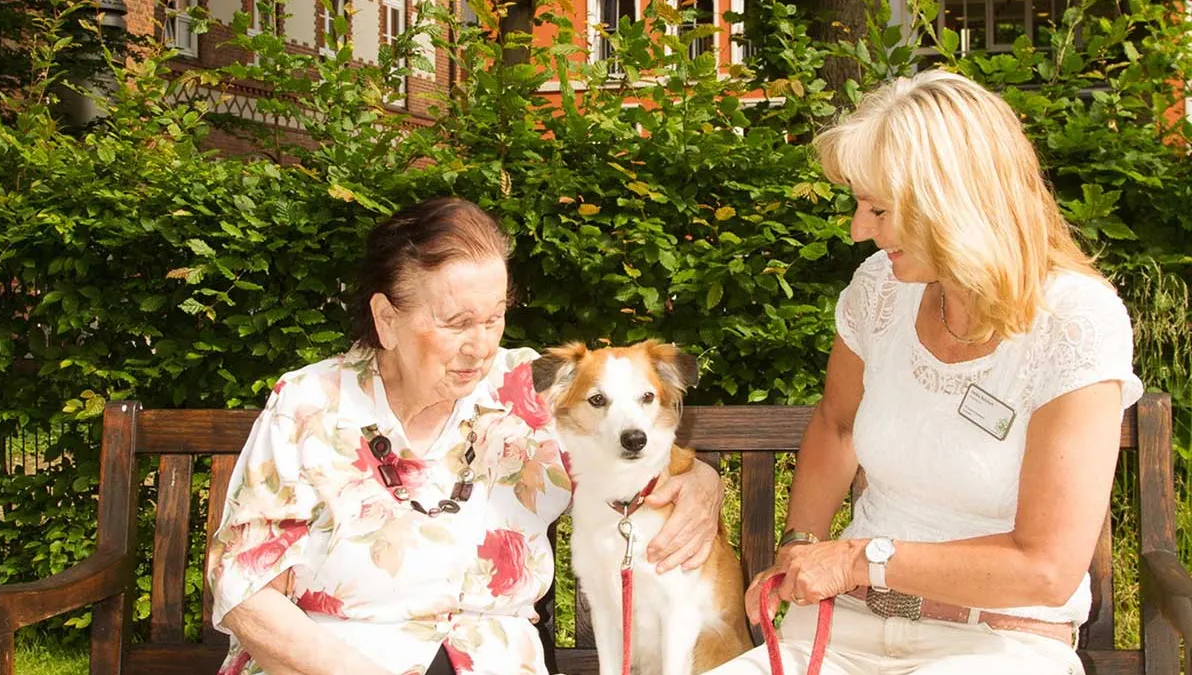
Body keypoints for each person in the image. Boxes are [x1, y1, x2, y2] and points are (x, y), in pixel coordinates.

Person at [707, 70, 1143, 675]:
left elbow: (1045, 566)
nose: (859, 230)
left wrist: (858, 559)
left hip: (995, 643)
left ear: (954, 203)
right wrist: (801, 548)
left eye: (879, 208)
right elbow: (837, 426)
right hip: (843, 629)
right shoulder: (880, 291)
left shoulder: (1074, 321)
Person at [206, 197, 726, 675]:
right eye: (457, 323)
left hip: (490, 658)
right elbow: (246, 591)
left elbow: (636, 445)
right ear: (387, 318)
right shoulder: (309, 404)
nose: (480, 347)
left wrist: (701, 479)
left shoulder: (531, 391)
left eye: (494, 317)